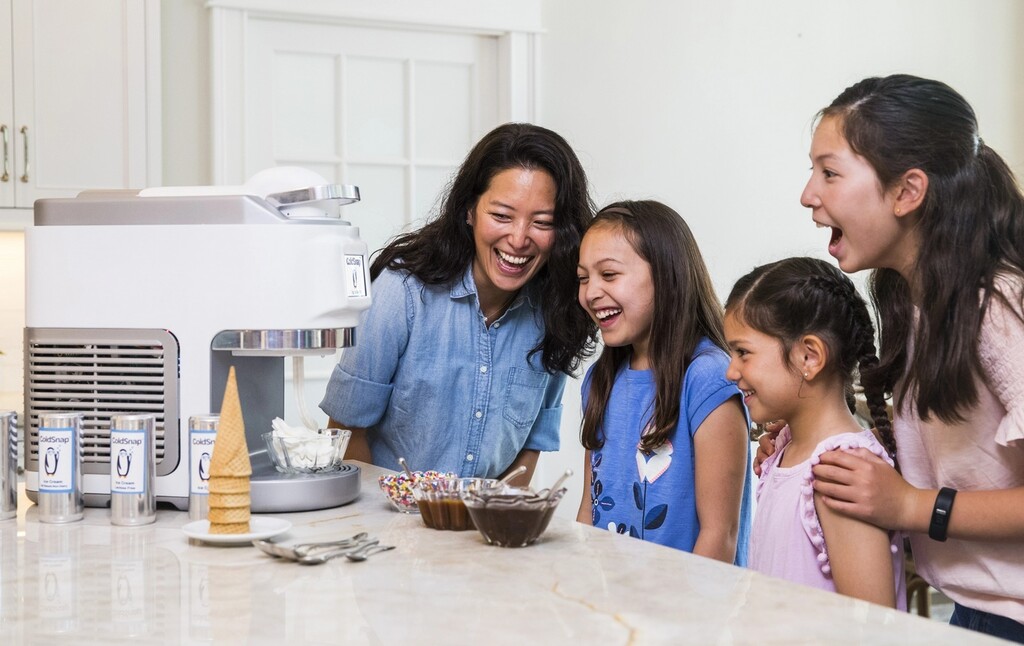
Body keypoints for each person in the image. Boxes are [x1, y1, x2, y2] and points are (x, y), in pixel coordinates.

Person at [758, 74, 1024, 639]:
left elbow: (922, 501)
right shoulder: (916, 303)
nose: (809, 193)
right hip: (978, 611)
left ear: (907, 192)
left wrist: (913, 507)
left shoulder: (995, 309)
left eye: (829, 172)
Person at [320, 123, 597, 483]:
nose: (518, 239)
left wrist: (494, 522)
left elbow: (533, 441)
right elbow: (344, 433)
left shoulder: (557, 311)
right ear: (469, 211)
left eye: (542, 222)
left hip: (483, 530)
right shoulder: (401, 293)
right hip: (388, 525)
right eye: (501, 216)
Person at [574, 200, 752, 564]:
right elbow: (589, 511)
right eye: (583, 278)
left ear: (667, 276)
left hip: (686, 612)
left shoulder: (708, 379)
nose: (591, 292)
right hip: (611, 610)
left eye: (609, 275)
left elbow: (720, 535)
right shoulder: (599, 381)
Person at [725, 257, 905, 607]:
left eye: (743, 352)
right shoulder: (785, 452)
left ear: (809, 357)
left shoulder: (842, 474)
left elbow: (873, 625)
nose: (731, 371)